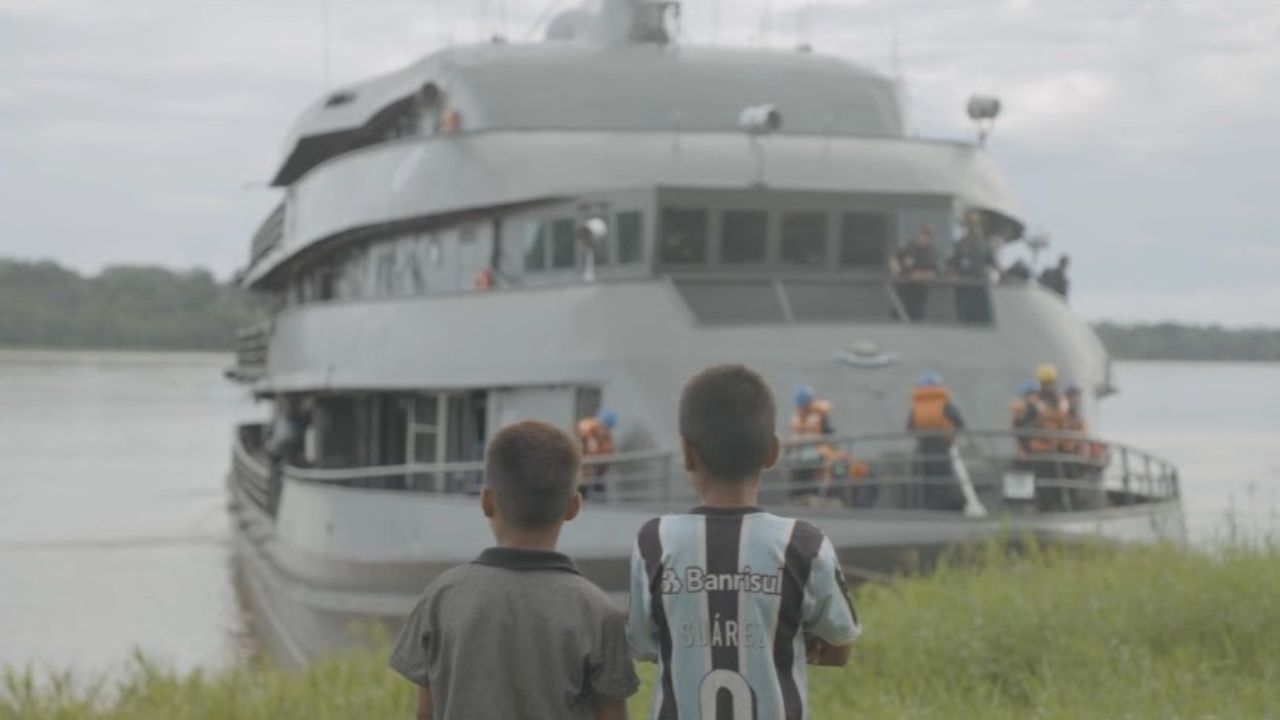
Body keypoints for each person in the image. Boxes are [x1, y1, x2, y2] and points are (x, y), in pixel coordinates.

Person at [627, 365, 859, 720]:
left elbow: (644, 643)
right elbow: (840, 645)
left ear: (687, 452)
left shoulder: (654, 541)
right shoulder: (804, 543)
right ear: (773, 451)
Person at [390, 421, 638, 720]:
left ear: (487, 502)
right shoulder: (598, 612)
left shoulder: (441, 597)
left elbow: (424, 712)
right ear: (573, 507)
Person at [788, 386, 871, 505]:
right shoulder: (797, 419)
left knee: (841, 464)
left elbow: (826, 411)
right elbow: (798, 441)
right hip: (805, 453)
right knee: (831, 461)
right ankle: (825, 492)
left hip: (820, 450)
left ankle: (839, 495)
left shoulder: (817, 414)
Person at [905, 373, 967, 511]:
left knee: (920, 480)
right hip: (941, 447)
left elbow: (909, 428)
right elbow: (959, 424)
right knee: (941, 481)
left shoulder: (917, 406)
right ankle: (940, 509)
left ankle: (919, 509)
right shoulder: (946, 405)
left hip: (922, 447)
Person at [1014, 363, 1072, 508]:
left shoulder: (1060, 401)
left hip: (1059, 448)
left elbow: (1064, 418)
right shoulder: (1034, 403)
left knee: (1060, 480)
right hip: (1040, 449)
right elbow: (1024, 426)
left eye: (1050, 383)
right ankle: (1045, 506)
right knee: (1043, 482)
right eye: (1046, 383)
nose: (1048, 386)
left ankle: (1061, 505)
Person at [893, 225, 939, 320]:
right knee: (898, 316)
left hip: (919, 292)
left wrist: (919, 275)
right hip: (903, 290)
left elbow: (934, 273)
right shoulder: (908, 247)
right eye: (923, 234)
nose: (924, 238)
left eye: (928, 236)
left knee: (916, 317)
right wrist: (895, 267)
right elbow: (894, 259)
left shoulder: (931, 252)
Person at [577, 410, 618, 496]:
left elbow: (605, 456)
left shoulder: (607, 441)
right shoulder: (588, 429)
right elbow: (581, 428)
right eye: (601, 425)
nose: (602, 429)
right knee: (580, 492)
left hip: (595, 474)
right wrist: (590, 439)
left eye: (605, 427)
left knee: (599, 492)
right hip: (582, 473)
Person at [949, 210, 998, 280]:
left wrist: (1005, 276)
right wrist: (952, 273)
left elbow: (993, 264)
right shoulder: (960, 244)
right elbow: (953, 263)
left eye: (976, 224)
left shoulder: (985, 245)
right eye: (970, 223)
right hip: (962, 282)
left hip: (979, 282)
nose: (973, 227)